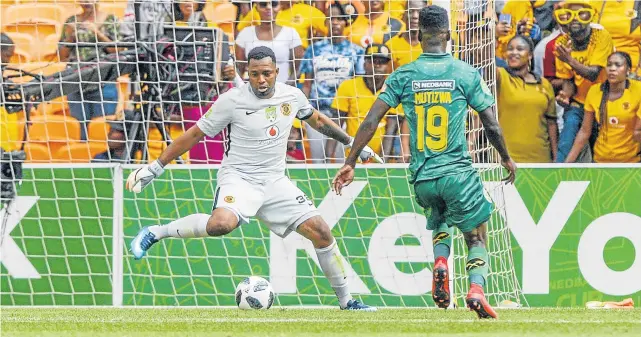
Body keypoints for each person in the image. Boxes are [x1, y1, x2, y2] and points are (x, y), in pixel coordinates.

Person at [126, 46, 381, 311]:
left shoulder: (291, 96)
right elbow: (194, 134)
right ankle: (156, 232)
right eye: (255, 74)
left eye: (267, 74)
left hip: (275, 182)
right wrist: (155, 167)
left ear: (276, 72)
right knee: (221, 225)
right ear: (247, 73)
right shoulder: (231, 100)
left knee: (322, 232)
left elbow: (317, 120)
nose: (261, 80)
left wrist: (353, 144)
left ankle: (347, 301)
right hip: (239, 178)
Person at [332, 5, 516, 319]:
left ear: (418, 37)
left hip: (422, 176)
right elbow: (491, 123)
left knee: (441, 219)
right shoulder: (464, 73)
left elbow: (371, 120)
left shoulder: (403, 75)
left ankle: (441, 262)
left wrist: (350, 160)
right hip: (456, 170)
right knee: (476, 236)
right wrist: (506, 158)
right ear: (448, 35)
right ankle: (476, 289)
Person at [299, 2, 365, 163]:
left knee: (342, 160)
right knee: (318, 161)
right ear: (326, 22)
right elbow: (307, 83)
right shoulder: (313, 49)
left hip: (343, 115)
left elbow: (359, 84)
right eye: (331, 18)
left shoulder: (356, 51)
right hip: (317, 114)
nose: (335, 22)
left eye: (339, 19)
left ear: (345, 22)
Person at [552, 0, 614, 162]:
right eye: (569, 14)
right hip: (579, 103)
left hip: (605, 101)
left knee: (604, 148)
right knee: (567, 136)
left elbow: (593, 73)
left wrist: (569, 60)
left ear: (590, 16)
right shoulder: (562, 43)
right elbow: (568, 80)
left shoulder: (601, 36)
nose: (574, 19)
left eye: (581, 14)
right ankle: (557, 172)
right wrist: (565, 95)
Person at [58, 0, 120, 141]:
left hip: (104, 81)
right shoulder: (71, 21)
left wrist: (97, 33)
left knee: (102, 129)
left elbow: (118, 51)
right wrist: (69, 37)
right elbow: (62, 57)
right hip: (76, 82)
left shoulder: (110, 20)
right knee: (79, 131)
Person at [565, 52, 641, 163]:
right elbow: (585, 131)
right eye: (609, 65)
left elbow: (638, 132)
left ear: (628, 70)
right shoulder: (595, 91)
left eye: (618, 65)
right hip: (601, 161)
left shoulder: (638, 90)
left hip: (631, 162)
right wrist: (567, 163)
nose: (612, 69)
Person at [498, 35, 558, 163]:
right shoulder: (500, 76)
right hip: (507, 160)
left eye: (520, 49)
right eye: (510, 49)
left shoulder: (545, 84)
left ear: (530, 55)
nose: (514, 53)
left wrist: (556, 156)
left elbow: (551, 123)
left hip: (541, 159)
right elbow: (484, 60)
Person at [331, 43, 394, 160]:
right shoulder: (348, 86)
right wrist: (328, 159)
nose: (378, 65)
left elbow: (391, 129)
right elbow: (336, 124)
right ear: (364, 64)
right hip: (353, 157)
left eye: (382, 62)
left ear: (388, 65)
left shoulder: (393, 89)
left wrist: (383, 161)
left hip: (382, 157)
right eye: (373, 61)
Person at [235, 1, 305, 85]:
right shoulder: (245, 33)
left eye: (274, 4)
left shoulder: (291, 33)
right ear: (256, 7)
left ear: (280, 6)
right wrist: (245, 90)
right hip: (253, 93)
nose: (268, 8)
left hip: (284, 92)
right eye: (263, 4)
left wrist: (285, 90)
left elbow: (299, 68)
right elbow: (239, 68)